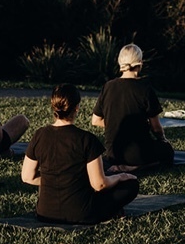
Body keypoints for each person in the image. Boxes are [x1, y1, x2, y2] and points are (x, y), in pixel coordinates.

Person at [22, 84, 140, 224]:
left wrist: (56, 180)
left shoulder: (39, 135)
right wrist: (121, 177)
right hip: (82, 213)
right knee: (131, 184)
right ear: (77, 107)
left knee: (105, 170)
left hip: (45, 213)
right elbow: (99, 185)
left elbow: (27, 177)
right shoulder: (87, 139)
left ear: (53, 106)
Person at [90, 44, 174, 170]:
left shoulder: (108, 86)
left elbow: (96, 120)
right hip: (138, 154)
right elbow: (156, 128)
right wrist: (163, 139)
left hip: (114, 153)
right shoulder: (145, 89)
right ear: (140, 63)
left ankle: (125, 165)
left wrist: (118, 125)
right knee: (167, 152)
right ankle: (135, 167)